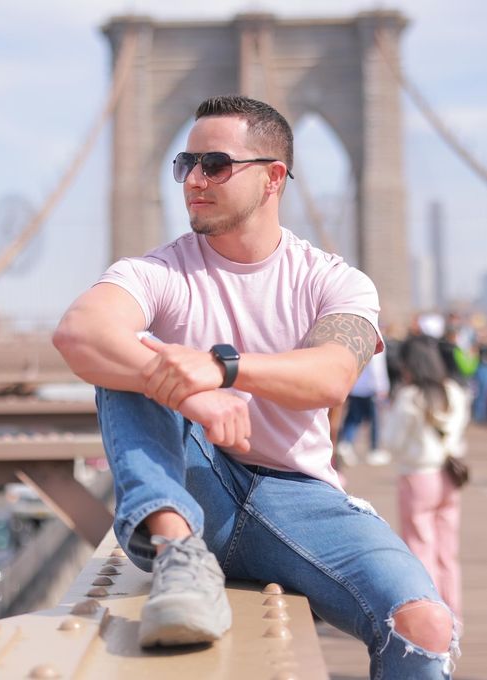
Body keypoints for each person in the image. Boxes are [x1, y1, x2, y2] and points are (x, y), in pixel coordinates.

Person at [53, 95, 459, 677]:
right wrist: (191, 391)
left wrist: (222, 368)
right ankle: (177, 553)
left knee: (424, 624)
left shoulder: (334, 281)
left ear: (273, 177)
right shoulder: (156, 272)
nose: (194, 179)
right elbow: (79, 332)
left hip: (301, 499)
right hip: (193, 485)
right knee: (128, 357)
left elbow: (332, 376)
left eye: (215, 164)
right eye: (185, 164)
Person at [382, 335, 469, 624]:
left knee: (420, 546)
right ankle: (453, 614)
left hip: (418, 475)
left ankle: (431, 616)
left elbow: (392, 441)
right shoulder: (454, 392)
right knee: (447, 552)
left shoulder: (410, 396)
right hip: (448, 475)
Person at [336, 350, 391, 466]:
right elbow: (377, 367)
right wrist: (382, 387)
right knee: (375, 421)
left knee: (353, 419)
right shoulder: (376, 342)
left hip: (356, 387)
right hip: (371, 388)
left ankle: (346, 444)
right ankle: (374, 450)